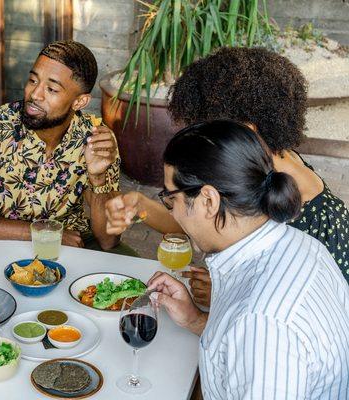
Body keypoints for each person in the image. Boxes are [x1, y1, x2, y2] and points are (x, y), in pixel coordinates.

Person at [106, 47, 349, 305]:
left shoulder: (315, 230)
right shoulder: (266, 166)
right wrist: (142, 206)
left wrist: (229, 291)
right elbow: (198, 217)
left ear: (246, 132)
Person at [147, 120, 349, 399]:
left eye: (171, 199)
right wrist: (196, 320)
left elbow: (260, 338)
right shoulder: (305, 246)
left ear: (208, 200)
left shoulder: (262, 323)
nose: (172, 214)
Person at [0, 40, 130, 253]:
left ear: (79, 102)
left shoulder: (95, 139)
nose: (35, 94)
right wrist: (42, 234)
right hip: (2, 241)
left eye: (51, 89)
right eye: (33, 80)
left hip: (73, 244)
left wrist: (98, 179)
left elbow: (109, 240)